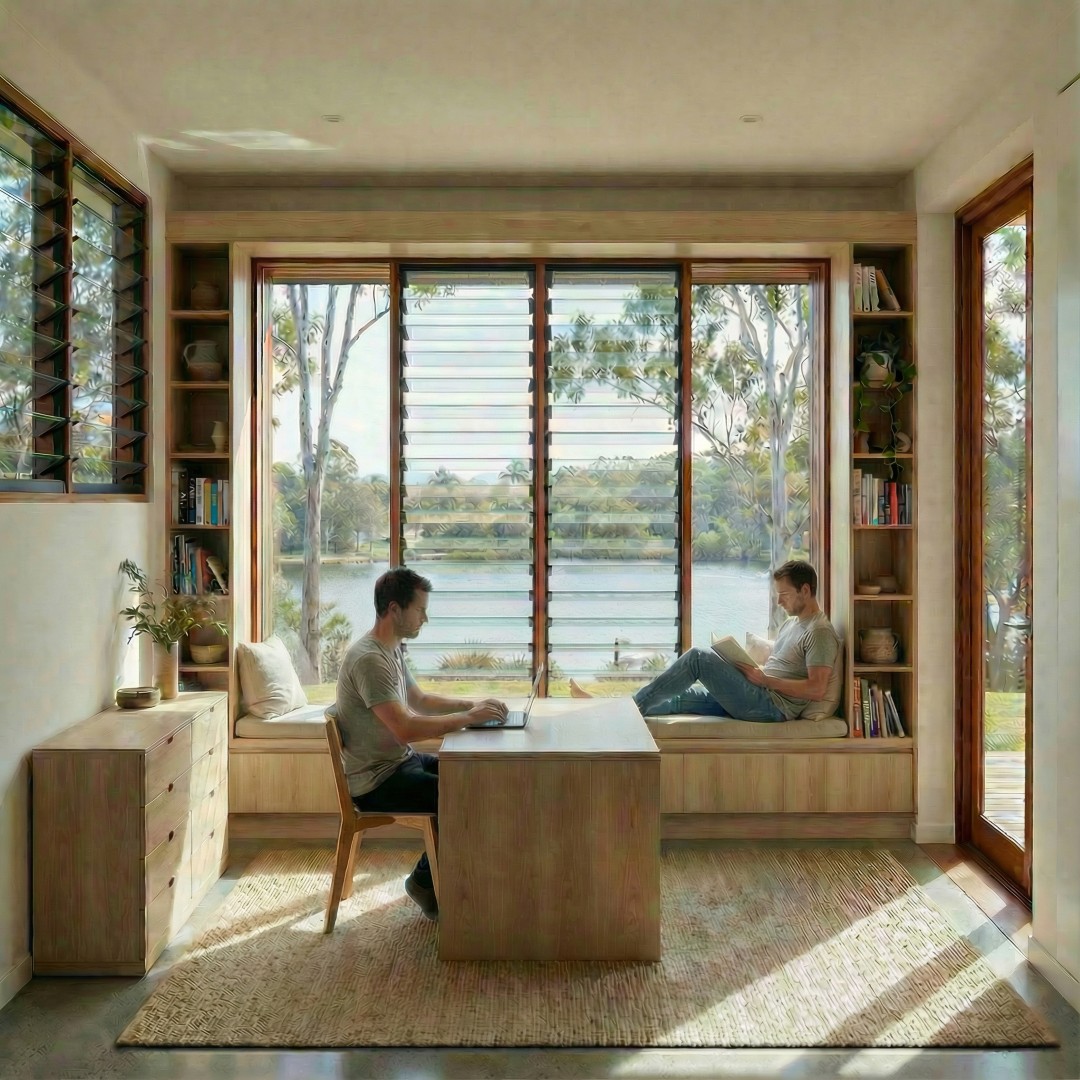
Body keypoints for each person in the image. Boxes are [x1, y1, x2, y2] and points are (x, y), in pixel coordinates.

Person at [333, 566, 508, 921]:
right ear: (395, 609)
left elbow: (420, 700)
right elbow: (406, 728)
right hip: (376, 781)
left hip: (401, 763)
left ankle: (463, 880)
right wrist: (468, 719)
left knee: (480, 777)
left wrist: (471, 706)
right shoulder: (370, 659)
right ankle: (425, 883)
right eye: (420, 610)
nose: (425, 619)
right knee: (461, 796)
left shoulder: (391, 648)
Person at [570, 559, 842, 723]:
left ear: (805, 590)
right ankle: (606, 709)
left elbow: (816, 690)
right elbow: (778, 666)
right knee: (681, 697)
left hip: (771, 708)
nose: (779, 601)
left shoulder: (819, 632)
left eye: (784, 594)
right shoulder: (792, 623)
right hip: (758, 693)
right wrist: (741, 667)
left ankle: (621, 712)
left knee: (698, 657)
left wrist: (764, 680)